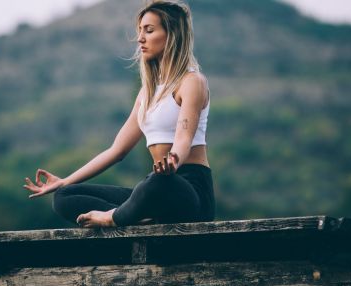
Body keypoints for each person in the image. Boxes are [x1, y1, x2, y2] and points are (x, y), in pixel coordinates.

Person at [23, 0, 215, 228]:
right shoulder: (147, 93)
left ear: (172, 35)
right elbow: (116, 151)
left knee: (155, 183)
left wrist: (173, 161)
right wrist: (64, 181)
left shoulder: (191, 81)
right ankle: (139, 217)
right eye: (140, 31)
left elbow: (184, 137)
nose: (140, 38)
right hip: (154, 190)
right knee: (64, 197)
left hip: (188, 191)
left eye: (149, 30)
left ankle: (114, 217)